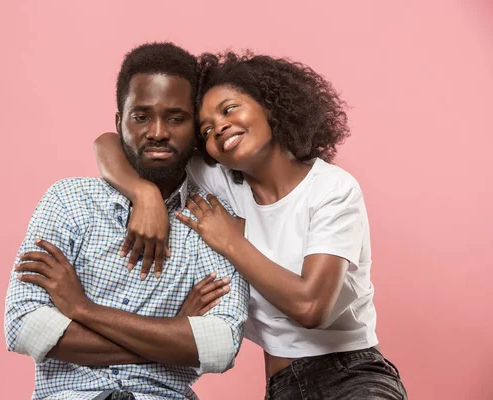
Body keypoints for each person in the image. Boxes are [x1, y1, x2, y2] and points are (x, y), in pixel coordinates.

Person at [94, 51, 408, 399]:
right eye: (207, 129)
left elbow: (311, 307)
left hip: (352, 376)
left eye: (229, 110)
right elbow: (110, 143)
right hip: (281, 387)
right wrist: (144, 195)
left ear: (269, 107)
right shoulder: (220, 180)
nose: (220, 128)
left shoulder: (331, 188)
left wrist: (231, 241)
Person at [4, 43, 249, 400]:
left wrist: (81, 310)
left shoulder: (212, 220)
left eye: (176, 118)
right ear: (120, 122)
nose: (158, 132)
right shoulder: (69, 202)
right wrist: (174, 335)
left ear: (196, 126)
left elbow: (220, 345)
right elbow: (24, 326)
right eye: (141, 116)